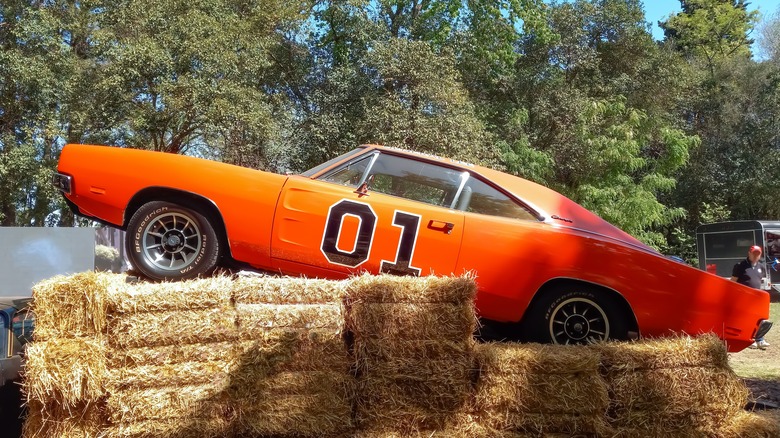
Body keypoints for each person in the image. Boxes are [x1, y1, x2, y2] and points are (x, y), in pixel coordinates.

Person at [731, 245, 770, 349]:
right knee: (745, 319)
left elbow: (759, 282)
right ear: (749, 253)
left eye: (758, 254)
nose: (755, 256)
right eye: (754, 253)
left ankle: (760, 339)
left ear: (760, 255)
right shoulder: (740, 266)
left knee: (758, 319)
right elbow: (733, 282)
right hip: (743, 298)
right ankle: (749, 340)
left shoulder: (761, 267)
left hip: (756, 299)